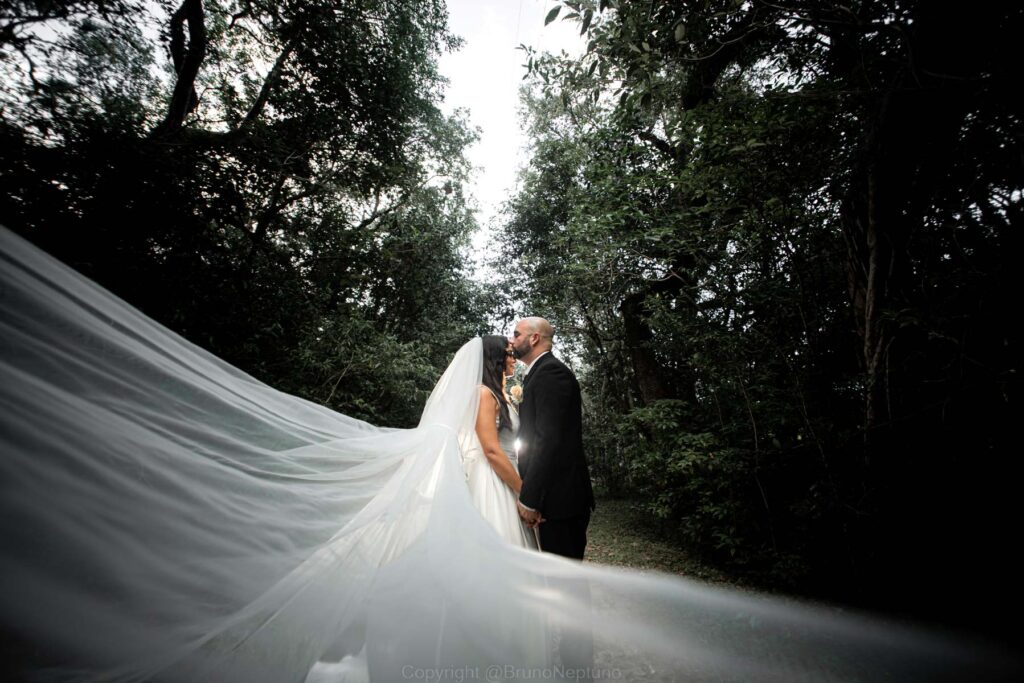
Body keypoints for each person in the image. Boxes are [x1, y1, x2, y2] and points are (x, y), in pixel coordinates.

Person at [2, 226, 1019, 682]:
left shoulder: (532, 379)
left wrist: (532, 487)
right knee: (484, 584)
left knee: (500, 587)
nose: (515, 338)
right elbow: (493, 445)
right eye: (512, 337)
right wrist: (518, 490)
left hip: (519, 493)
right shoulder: (494, 392)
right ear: (502, 354)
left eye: (520, 331)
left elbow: (518, 435)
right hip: (498, 493)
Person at [512, 317, 595, 559]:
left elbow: (548, 440)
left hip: (561, 501)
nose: (512, 340)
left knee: (565, 584)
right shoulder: (538, 373)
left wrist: (529, 499)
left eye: (517, 334)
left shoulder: (551, 373)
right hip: (553, 499)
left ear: (534, 338)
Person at [463, 335, 537, 549]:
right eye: (510, 354)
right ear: (496, 358)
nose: (514, 359)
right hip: (493, 479)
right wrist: (523, 493)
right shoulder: (484, 394)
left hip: (507, 471)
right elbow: (491, 450)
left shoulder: (497, 394)